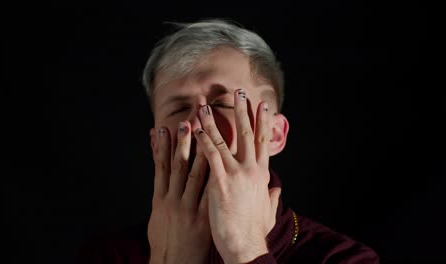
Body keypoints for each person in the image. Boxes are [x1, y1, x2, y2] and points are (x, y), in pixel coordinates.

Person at [76, 19, 379, 263]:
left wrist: (244, 250)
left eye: (222, 105)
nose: (197, 124)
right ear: (156, 144)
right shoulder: (108, 256)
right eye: (179, 108)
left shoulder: (342, 258)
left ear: (274, 134)